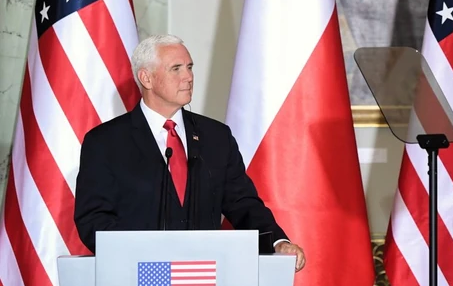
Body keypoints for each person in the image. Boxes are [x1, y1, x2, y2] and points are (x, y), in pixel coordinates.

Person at [74, 34, 305, 271]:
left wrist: (277, 242)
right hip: (137, 279)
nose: (188, 77)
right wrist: (144, 260)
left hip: (203, 279)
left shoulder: (216, 137)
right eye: (176, 69)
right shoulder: (105, 142)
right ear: (146, 78)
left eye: (190, 67)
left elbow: (243, 203)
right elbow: (94, 218)